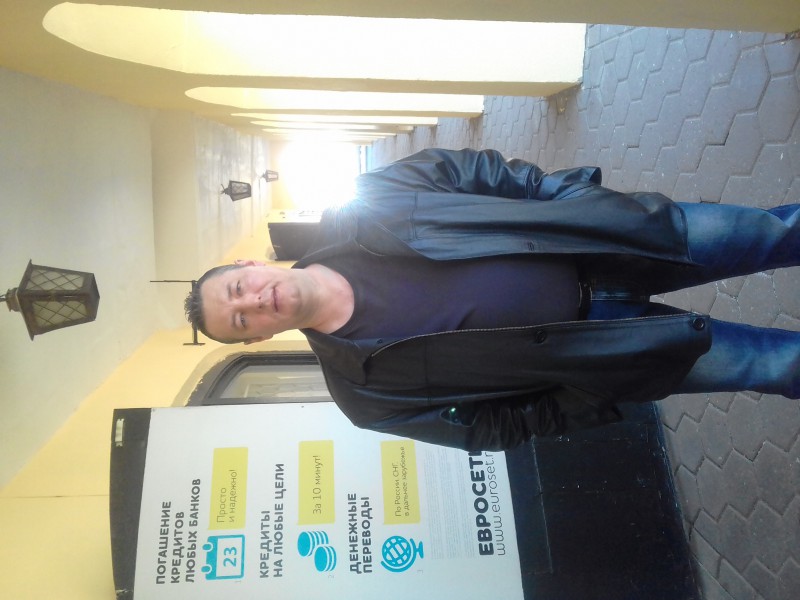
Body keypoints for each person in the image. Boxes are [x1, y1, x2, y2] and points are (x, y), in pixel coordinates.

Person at [185, 148, 800, 451]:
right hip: (619, 350)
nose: (255, 303)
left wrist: (564, 196)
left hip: (611, 240)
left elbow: (474, 170)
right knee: (772, 365)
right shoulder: (365, 396)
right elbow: (490, 427)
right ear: (257, 339)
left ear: (249, 266)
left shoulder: (367, 204)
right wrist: (596, 391)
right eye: (242, 322)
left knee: (770, 233)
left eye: (239, 290)